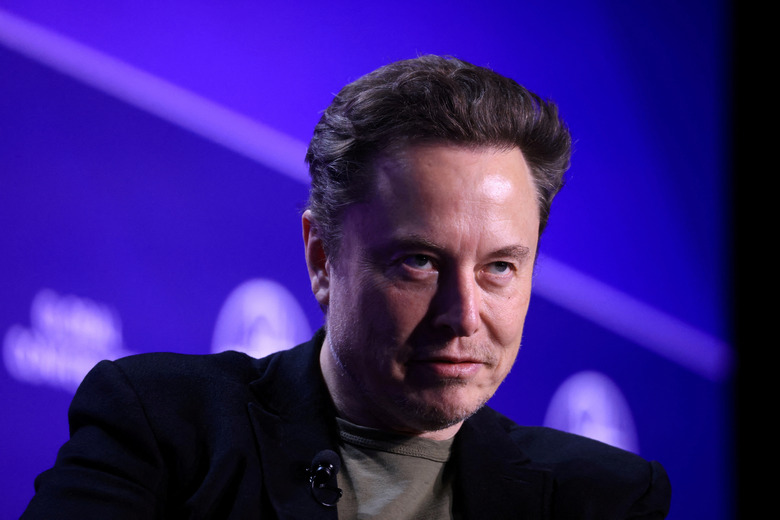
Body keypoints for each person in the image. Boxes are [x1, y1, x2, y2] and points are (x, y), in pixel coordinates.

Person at [22, 55, 671, 519]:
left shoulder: (603, 497)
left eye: (499, 267)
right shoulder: (164, 425)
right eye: (418, 261)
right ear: (322, 257)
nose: (463, 315)